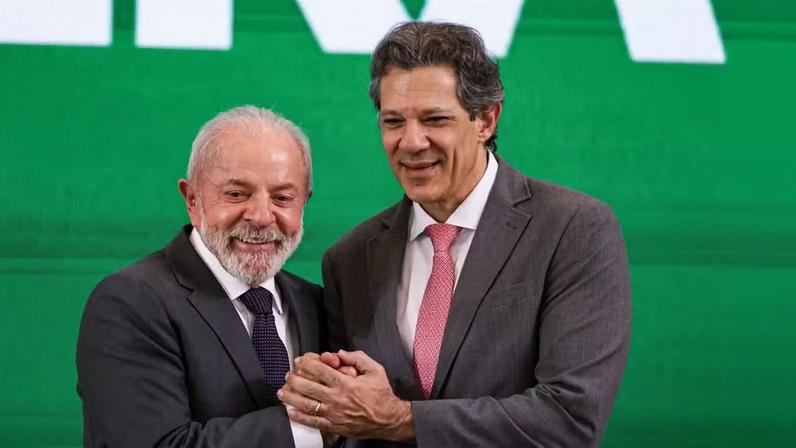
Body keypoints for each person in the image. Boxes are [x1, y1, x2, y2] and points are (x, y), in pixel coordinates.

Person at [278, 22, 632, 447]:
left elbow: (569, 417)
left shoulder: (573, 229)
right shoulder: (350, 258)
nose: (411, 142)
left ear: (486, 119)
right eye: (393, 121)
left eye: (435, 119)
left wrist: (401, 419)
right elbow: (350, 420)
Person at [76, 106, 328, 447]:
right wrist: (316, 426)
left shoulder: (318, 304)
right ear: (192, 200)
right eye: (236, 194)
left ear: (304, 203)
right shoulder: (129, 303)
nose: (260, 216)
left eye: (283, 198)